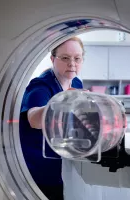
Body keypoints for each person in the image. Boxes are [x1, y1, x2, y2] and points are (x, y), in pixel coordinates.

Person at [19, 37, 85, 200]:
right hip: (40, 169)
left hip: (63, 163)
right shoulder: (40, 86)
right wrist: (61, 102)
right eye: (65, 58)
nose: (72, 63)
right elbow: (33, 120)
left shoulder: (76, 82)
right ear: (52, 59)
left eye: (77, 58)